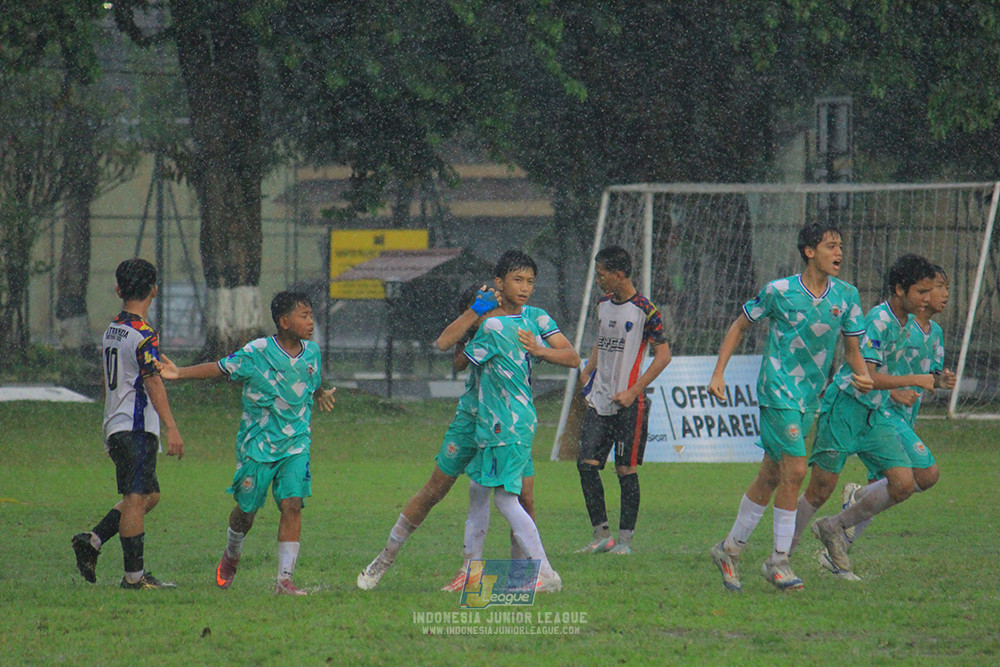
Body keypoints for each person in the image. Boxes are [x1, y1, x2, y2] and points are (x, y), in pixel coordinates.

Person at [707, 224, 872, 592]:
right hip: (777, 390)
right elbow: (739, 326)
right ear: (809, 251)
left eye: (841, 246)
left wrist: (864, 378)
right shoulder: (779, 291)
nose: (839, 253)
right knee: (796, 470)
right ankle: (778, 561)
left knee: (770, 475)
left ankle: (728, 549)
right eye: (831, 246)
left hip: (810, 396)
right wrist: (719, 373)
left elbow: (852, 350)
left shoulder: (846, 296)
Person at [158, 291, 335, 595]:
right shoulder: (257, 352)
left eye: (310, 315)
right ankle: (232, 552)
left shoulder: (312, 352)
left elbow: (312, 378)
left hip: (296, 444)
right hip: (258, 446)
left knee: (293, 504)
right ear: (284, 321)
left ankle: (284, 580)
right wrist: (179, 373)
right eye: (303, 316)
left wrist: (319, 394)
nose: (310, 321)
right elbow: (220, 367)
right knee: (246, 513)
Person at [799, 258, 954, 579]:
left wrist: (934, 380)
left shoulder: (912, 325)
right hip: (848, 406)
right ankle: (780, 557)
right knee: (820, 489)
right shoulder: (880, 320)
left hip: (875, 412)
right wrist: (911, 382)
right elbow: (867, 374)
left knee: (904, 484)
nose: (931, 297)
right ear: (900, 290)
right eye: (924, 290)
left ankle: (834, 529)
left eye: (934, 290)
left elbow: (891, 373)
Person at [461, 250, 581, 593]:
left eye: (530, 281)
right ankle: (472, 574)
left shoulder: (525, 320)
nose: (525, 287)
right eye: (518, 280)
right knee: (478, 491)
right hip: (496, 420)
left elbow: (572, 357)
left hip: (508, 422)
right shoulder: (499, 321)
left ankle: (544, 571)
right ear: (500, 283)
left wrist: (540, 350)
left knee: (505, 499)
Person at [72, 258, 185, 590]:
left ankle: (91, 541)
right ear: (154, 291)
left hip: (116, 423)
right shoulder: (143, 334)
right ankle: (134, 579)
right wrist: (172, 427)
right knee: (137, 499)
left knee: (150, 495)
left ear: (119, 290)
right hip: (134, 427)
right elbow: (152, 381)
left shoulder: (113, 328)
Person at [575, 246, 671, 556]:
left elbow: (664, 355)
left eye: (602, 275)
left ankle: (625, 541)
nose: (598, 280)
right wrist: (588, 369)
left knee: (625, 471)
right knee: (586, 465)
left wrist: (632, 391)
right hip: (599, 400)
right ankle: (601, 535)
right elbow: (601, 340)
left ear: (619, 275)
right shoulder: (603, 304)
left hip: (629, 404)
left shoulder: (646, 310)